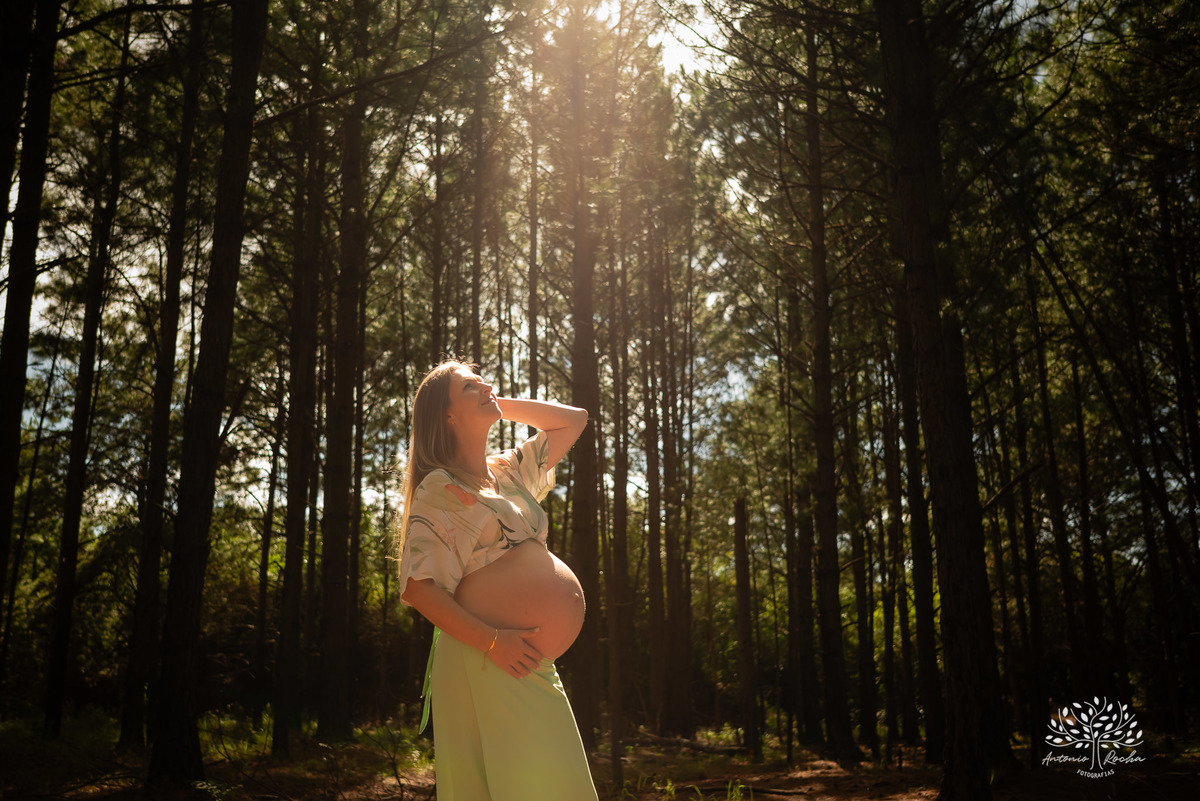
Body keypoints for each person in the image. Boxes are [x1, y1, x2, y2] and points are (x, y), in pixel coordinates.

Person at [397, 360, 599, 801]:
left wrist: (490, 402)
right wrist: (492, 641)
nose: (486, 385)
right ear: (448, 416)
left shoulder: (507, 472)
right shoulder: (440, 488)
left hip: (521, 658)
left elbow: (574, 421)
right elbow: (417, 588)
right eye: (470, 386)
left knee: (557, 788)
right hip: (484, 654)